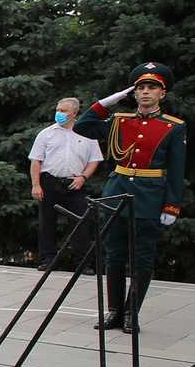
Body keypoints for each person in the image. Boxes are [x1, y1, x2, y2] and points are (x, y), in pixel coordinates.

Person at [75, 62, 185, 333]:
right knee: (113, 255)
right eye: (140, 88)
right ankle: (114, 311)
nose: (146, 92)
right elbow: (83, 126)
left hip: (149, 197)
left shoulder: (173, 127)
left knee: (143, 258)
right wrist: (109, 101)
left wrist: (172, 205)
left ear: (162, 93)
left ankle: (131, 313)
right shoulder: (118, 121)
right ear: (133, 93)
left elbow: (177, 169)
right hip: (116, 194)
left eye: (152, 88)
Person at [28, 97, 102, 270]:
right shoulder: (46, 134)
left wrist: (83, 177)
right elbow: (36, 161)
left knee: (81, 223)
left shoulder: (87, 134)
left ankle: (83, 264)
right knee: (47, 222)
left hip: (75, 183)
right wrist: (36, 185)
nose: (58, 114)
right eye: (57, 110)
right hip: (49, 181)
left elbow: (94, 160)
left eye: (63, 111)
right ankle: (48, 260)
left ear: (74, 113)